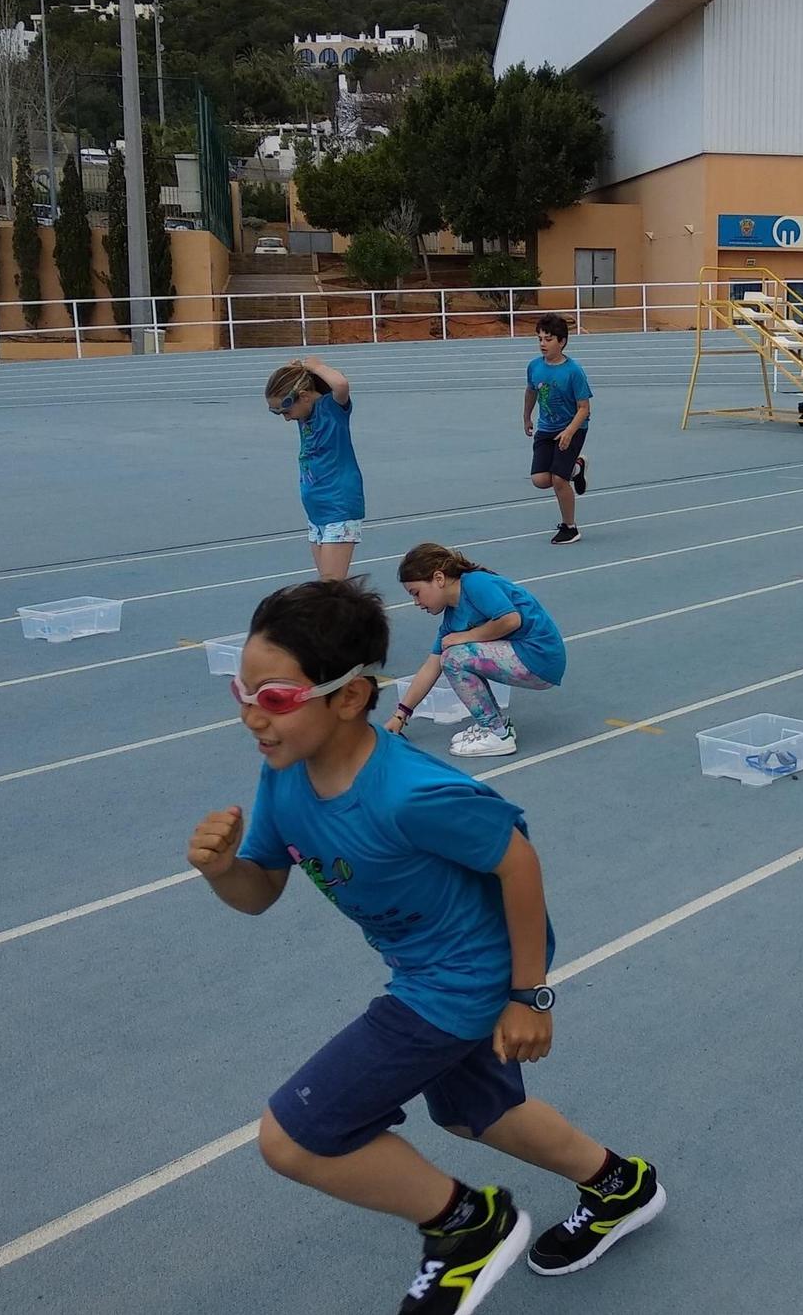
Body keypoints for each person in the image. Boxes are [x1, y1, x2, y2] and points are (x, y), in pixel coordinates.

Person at [189, 580, 664, 1315]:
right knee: (474, 1112)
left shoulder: (410, 794)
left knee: (294, 1137)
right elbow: (259, 894)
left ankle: (468, 1229)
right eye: (241, 692)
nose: (254, 715)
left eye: (276, 698)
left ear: (349, 697)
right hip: (428, 967)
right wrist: (225, 869)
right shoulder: (282, 773)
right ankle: (621, 1187)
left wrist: (528, 995)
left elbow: (517, 860)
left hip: (461, 982)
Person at [390, 543, 567, 760]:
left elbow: (511, 620)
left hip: (540, 655)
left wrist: (464, 637)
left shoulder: (475, 583)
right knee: (449, 655)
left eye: (416, 593)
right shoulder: (451, 619)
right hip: (525, 658)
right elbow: (430, 667)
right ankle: (496, 726)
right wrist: (401, 715)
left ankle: (497, 734)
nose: (416, 602)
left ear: (439, 578)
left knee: (454, 658)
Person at [267, 357, 365, 581]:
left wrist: (314, 367)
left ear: (303, 396)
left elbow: (340, 385)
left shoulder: (330, 409)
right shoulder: (304, 414)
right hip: (316, 510)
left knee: (330, 590)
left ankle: (359, 615)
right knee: (329, 589)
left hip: (339, 506)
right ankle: (356, 614)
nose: (285, 419)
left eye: (284, 411)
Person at [525, 315, 592, 546]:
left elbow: (584, 408)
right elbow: (531, 391)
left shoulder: (574, 371)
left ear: (561, 341)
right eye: (540, 339)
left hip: (572, 428)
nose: (543, 343)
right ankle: (576, 466)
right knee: (540, 480)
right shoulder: (534, 366)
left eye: (548, 339)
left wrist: (569, 432)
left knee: (558, 480)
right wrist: (526, 417)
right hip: (546, 429)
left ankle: (570, 527)